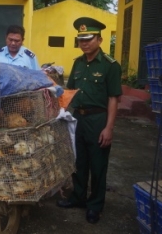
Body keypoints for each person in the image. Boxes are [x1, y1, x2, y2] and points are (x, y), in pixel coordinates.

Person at [56, 17, 122, 224]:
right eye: (81, 39)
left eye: (88, 39)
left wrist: (109, 128)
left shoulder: (110, 66)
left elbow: (113, 98)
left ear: (100, 40)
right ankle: (78, 197)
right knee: (79, 161)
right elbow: (69, 93)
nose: (84, 43)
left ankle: (95, 205)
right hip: (78, 118)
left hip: (98, 119)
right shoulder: (77, 63)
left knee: (98, 165)